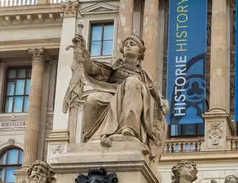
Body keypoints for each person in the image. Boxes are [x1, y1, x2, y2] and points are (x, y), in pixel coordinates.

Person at [68, 33, 167, 161]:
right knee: (92, 99)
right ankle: (92, 138)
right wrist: (83, 52)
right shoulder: (114, 67)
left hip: (134, 97)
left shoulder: (142, 75)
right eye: (126, 45)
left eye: (132, 44)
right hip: (112, 96)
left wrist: (161, 101)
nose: (128, 46)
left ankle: (129, 128)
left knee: (132, 82)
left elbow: (153, 91)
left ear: (140, 52)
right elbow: (91, 68)